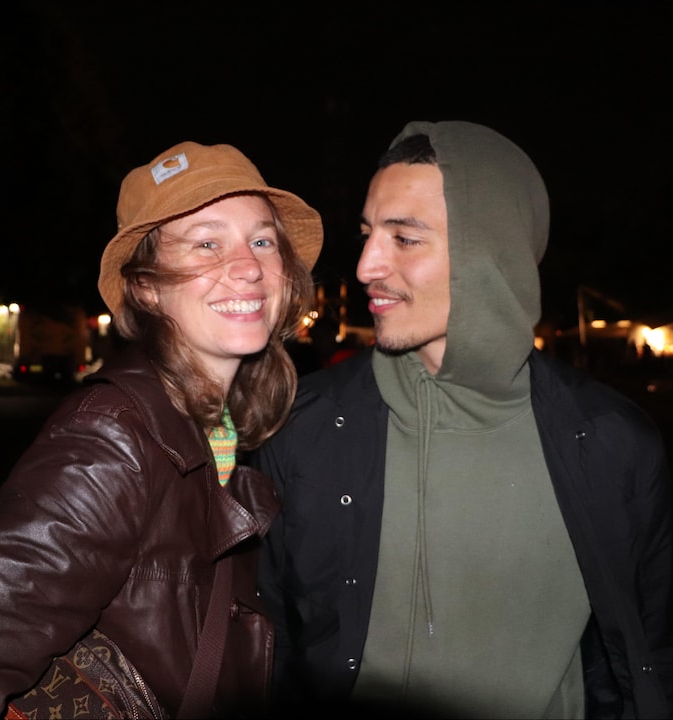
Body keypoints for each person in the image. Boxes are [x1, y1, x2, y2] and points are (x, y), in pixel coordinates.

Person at [253, 121, 673, 719]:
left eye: (405, 239)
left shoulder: (612, 443)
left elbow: (649, 657)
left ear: (490, 255)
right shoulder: (304, 422)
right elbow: (267, 643)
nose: (367, 265)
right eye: (369, 234)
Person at [0, 140, 322, 718]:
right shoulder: (112, 437)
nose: (249, 267)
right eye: (207, 243)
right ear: (147, 288)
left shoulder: (220, 429)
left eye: (261, 240)